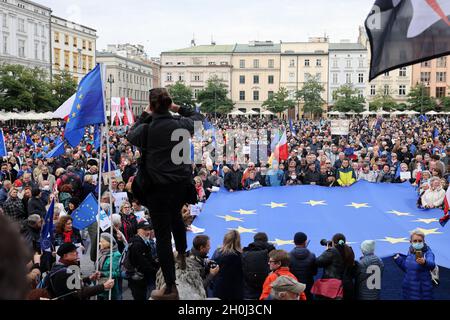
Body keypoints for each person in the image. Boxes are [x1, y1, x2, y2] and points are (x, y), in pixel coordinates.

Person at [127, 88, 204, 300]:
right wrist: (177, 108)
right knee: (177, 218)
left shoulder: (147, 128)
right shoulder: (181, 124)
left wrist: (145, 115)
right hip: (179, 184)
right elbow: (200, 118)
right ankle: (181, 252)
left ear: (151, 106)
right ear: (169, 104)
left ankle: (170, 287)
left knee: (161, 235)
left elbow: (130, 134)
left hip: (156, 187)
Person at [44, 243, 114, 300]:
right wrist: (103, 286)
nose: (77, 253)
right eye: (74, 252)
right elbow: (79, 293)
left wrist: (89, 278)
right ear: (65, 256)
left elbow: (73, 285)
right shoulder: (65, 272)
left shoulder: (62, 266)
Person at [394, 229, 436, 300]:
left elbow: (432, 265)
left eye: (420, 241)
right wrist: (399, 260)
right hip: (408, 291)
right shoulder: (410, 251)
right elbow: (408, 269)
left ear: (424, 241)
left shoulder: (427, 252)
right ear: (411, 242)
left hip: (422, 293)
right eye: (415, 241)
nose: (417, 243)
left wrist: (425, 262)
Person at [315, 233, 356, 300]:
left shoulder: (332, 251)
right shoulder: (349, 250)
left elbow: (318, 262)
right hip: (348, 286)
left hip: (334, 287)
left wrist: (327, 250)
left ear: (333, 242)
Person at [127, 220, 159, 300]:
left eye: (149, 229)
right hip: (137, 281)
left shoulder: (143, 241)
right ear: (138, 230)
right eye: (145, 229)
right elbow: (144, 264)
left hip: (142, 279)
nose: (148, 232)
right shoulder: (137, 244)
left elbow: (149, 260)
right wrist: (157, 272)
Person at [211, 230, 244, 300]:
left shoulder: (217, 252)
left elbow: (212, 268)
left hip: (219, 289)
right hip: (235, 291)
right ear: (238, 242)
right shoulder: (241, 256)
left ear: (225, 240)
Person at [242, 232, 275, 300]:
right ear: (266, 241)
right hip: (266, 292)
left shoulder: (245, 253)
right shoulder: (271, 252)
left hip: (248, 293)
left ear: (254, 240)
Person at [289, 232, 317, 301]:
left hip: (293, 287)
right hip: (307, 287)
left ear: (294, 242)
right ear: (305, 242)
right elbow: (314, 272)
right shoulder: (312, 256)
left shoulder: (288, 256)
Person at [97, 233, 122, 300]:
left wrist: (102, 273)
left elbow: (117, 273)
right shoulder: (101, 252)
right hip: (99, 285)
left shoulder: (116, 255)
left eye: (102, 242)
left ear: (109, 243)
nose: (99, 243)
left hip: (110, 288)